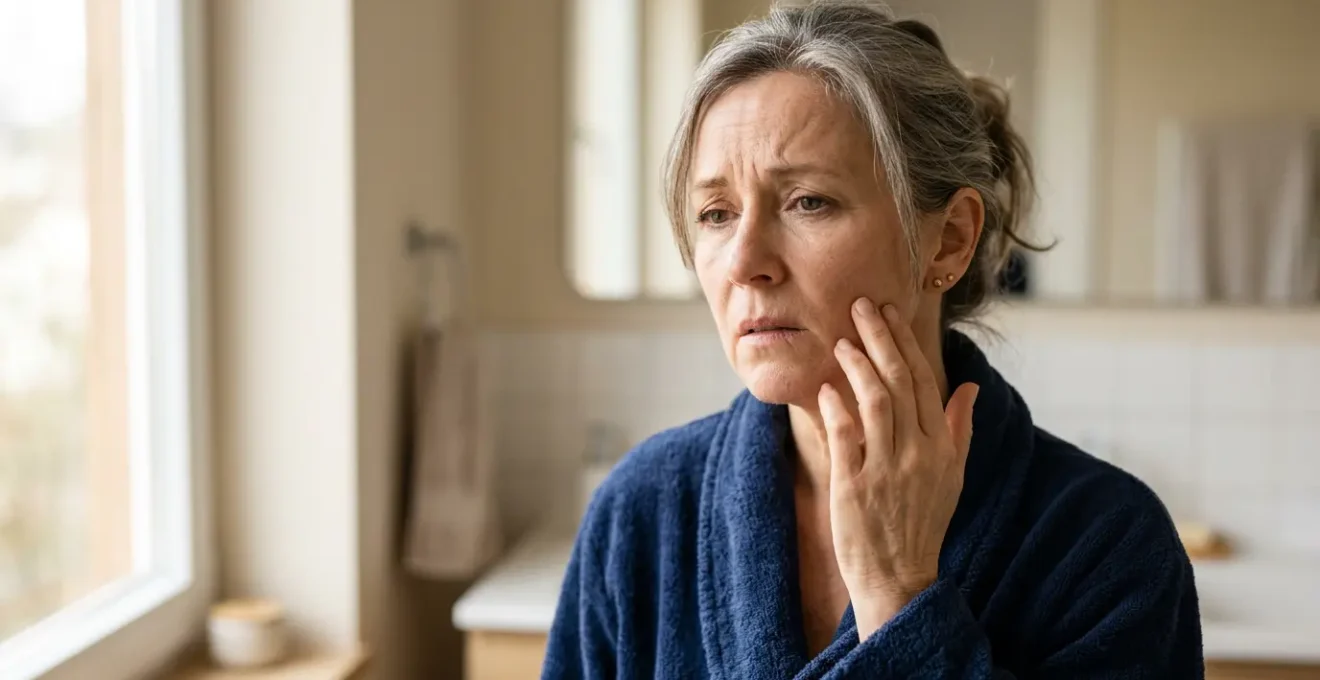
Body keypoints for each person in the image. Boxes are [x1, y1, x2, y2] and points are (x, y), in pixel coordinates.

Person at [543, 1, 1203, 678]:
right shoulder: (643, 509)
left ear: (948, 240)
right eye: (716, 213)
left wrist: (899, 598)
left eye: (808, 201)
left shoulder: (1109, 545)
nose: (743, 262)